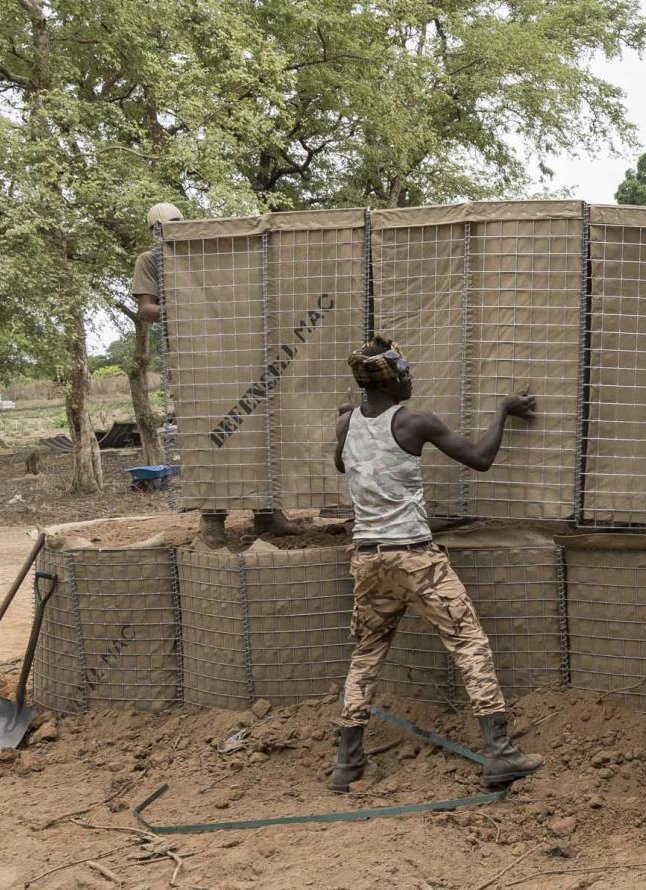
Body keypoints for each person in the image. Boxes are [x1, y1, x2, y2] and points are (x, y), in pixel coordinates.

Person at [328, 336, 543, 792]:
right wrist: (504, 410)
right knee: (469, 644)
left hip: (368, 561)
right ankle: (500, 752)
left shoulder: (347, 424)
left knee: (365, 656)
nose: (411, 378)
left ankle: (347, 764)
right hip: (416, 559)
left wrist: (344, 422)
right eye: (405, 373)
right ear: (392, 380)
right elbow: (480, 459)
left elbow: (342, 465)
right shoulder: (414, 422)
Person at [132, 202, 301, 545]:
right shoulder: (149, 260)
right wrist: (181, 308)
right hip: (195, 359)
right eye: (166, 226)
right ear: (154, 231)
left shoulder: (205, 252)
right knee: (207, 433)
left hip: (241, 350)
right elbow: (147, 309)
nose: (173, 230)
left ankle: (266, 512)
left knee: (258, 425)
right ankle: (212, 515)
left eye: (179, 223)